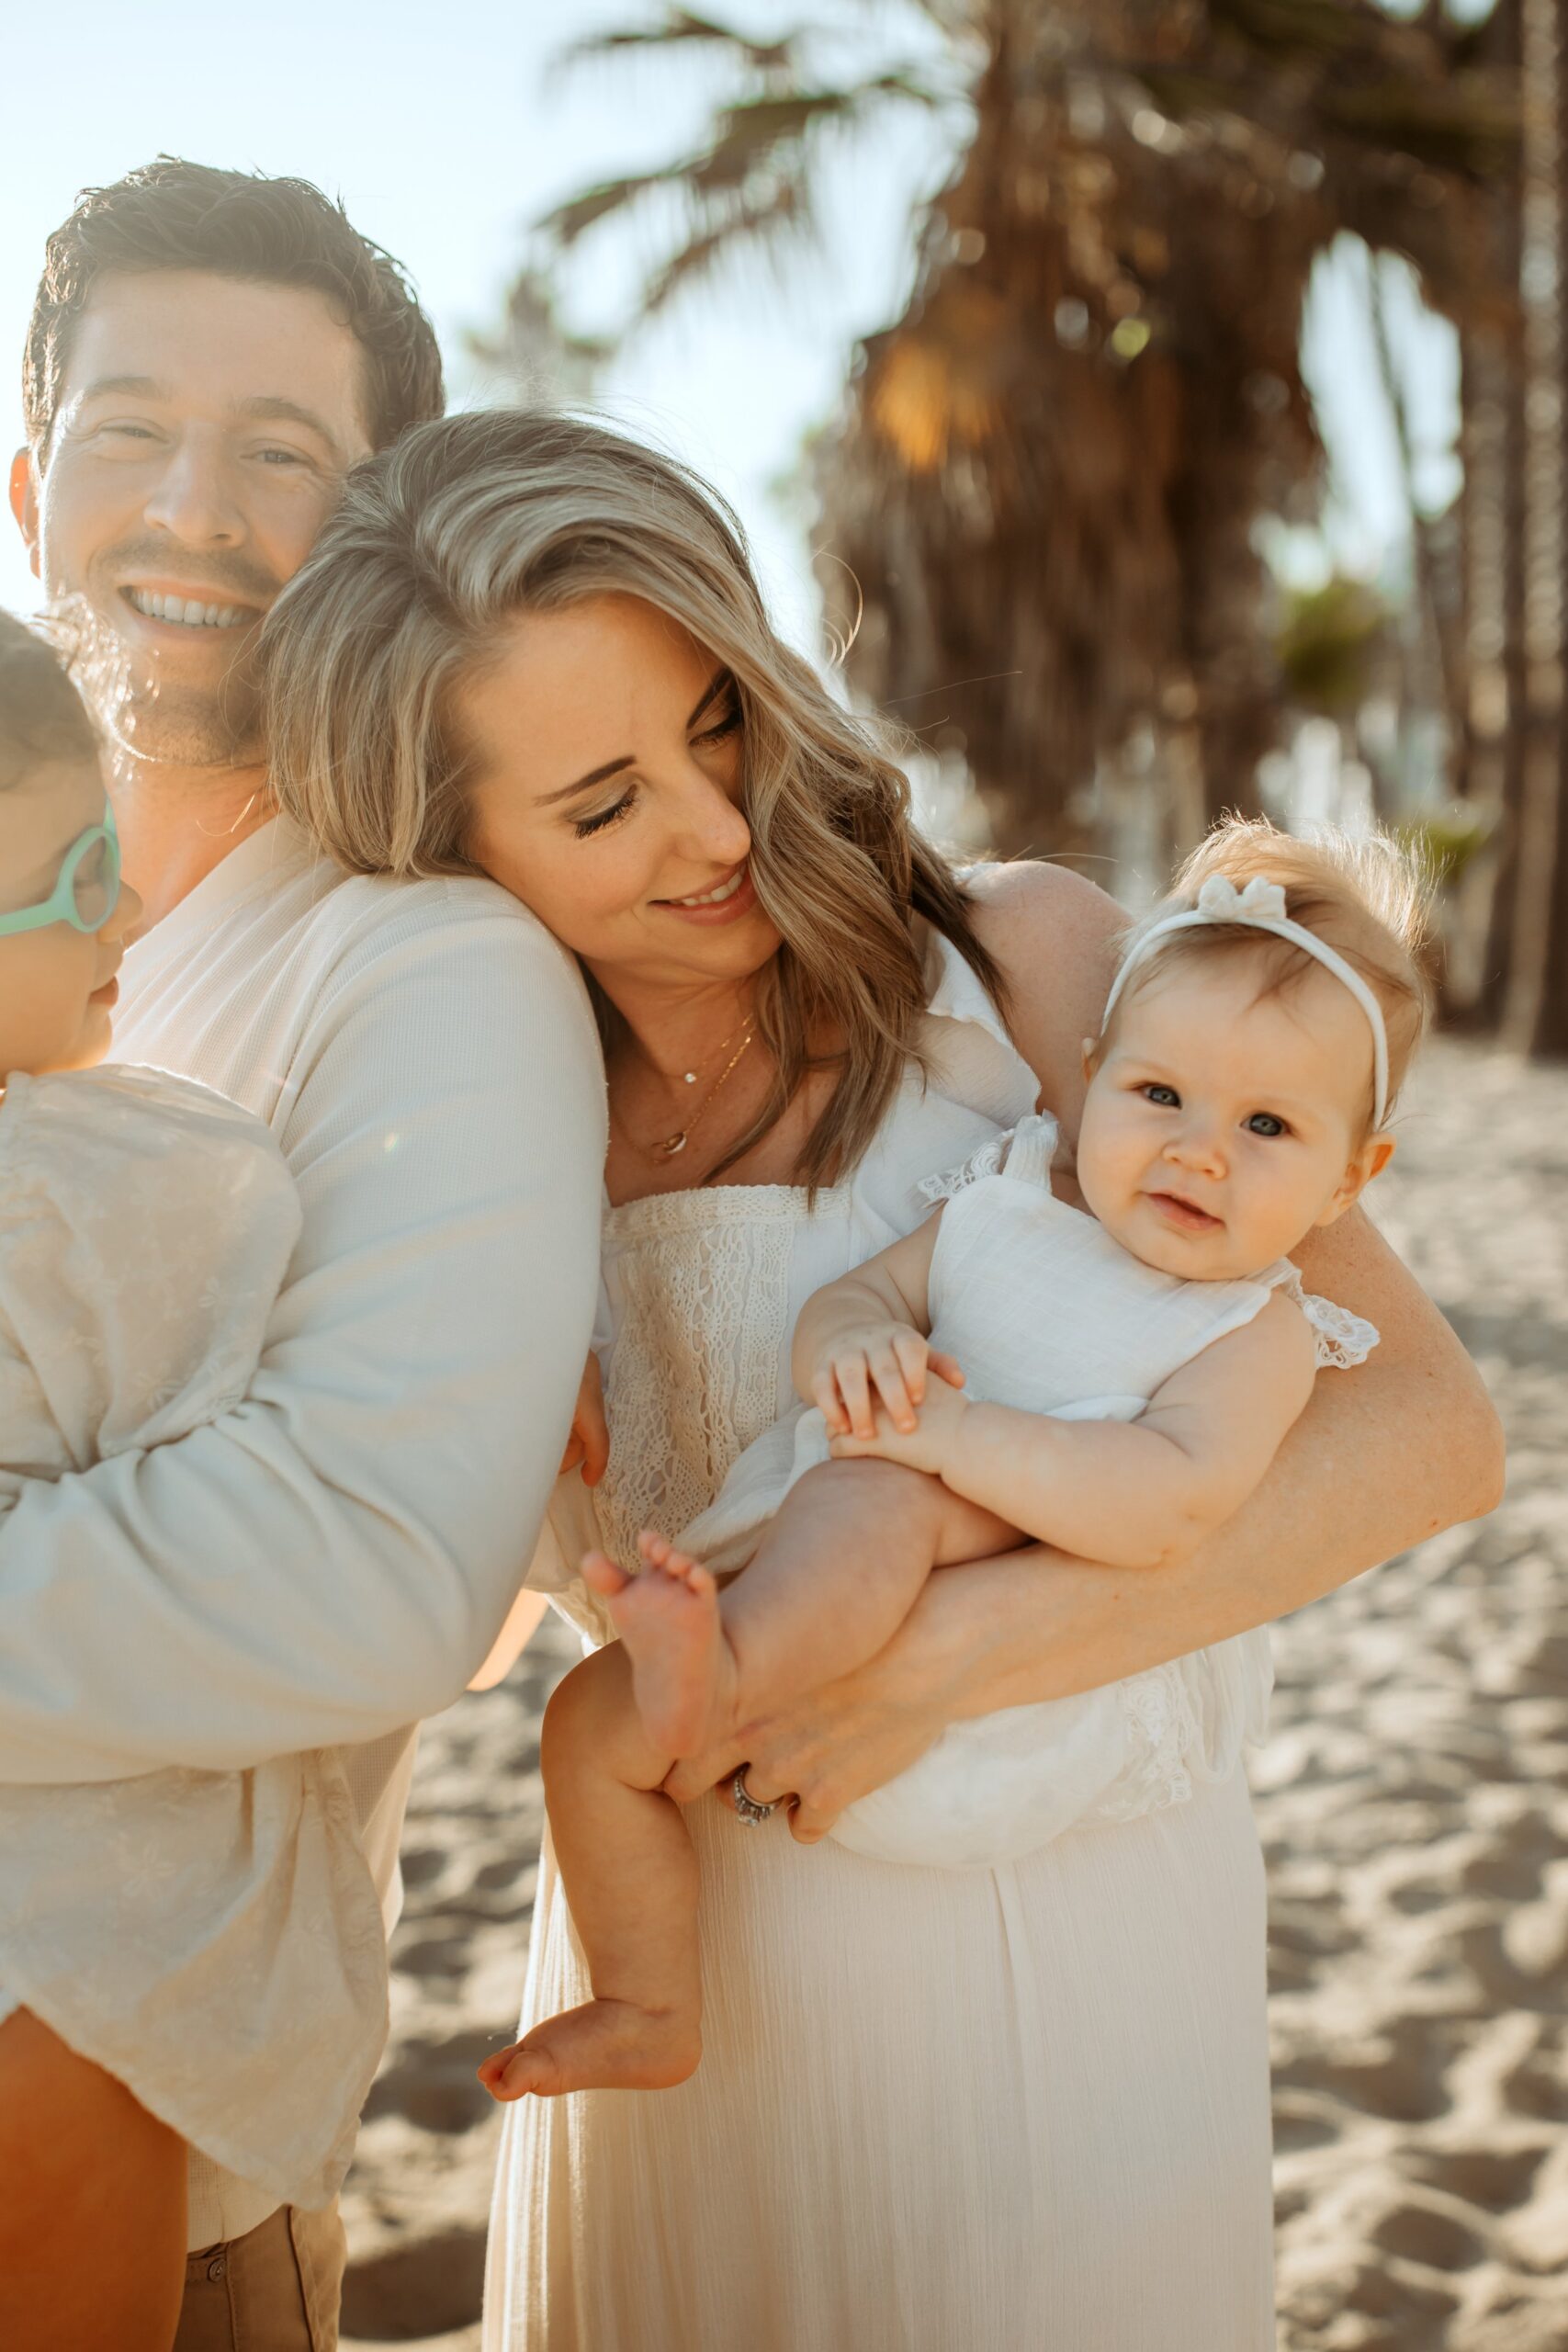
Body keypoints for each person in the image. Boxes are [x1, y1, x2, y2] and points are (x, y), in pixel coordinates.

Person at [256, 404, 1502, 2352]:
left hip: (1037, 1959)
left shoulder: (1022, 958)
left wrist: (922, 1659)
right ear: (447, 844)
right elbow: (453, 1593)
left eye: (721, 721)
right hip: (673, 1951)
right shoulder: (475, 1125)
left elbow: (1427, 1433)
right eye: (599, 806)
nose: (712, 826)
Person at [2, 162, 605, 2352]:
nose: (191, 504)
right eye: (129, 426)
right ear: (24, 475)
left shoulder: (423, 975)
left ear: (374, 540)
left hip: (123, 2156)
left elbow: (359, 1569)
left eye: (281, 453)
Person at [479, 820, 1429, 2098]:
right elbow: (863, 1297)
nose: (1200, 1149)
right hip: (819, 1543)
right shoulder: (1009, 1194)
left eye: (1268, 1126)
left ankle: (727, 1667)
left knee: (883, 1497)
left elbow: (1167, 1505)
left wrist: (947, 1437)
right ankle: (648, 1995)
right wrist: (857, 1347)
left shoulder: (1252, 1326)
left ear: (1347, 1180)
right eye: (1161, 1096)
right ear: (1087, 1078)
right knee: (582, 1722)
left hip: (975, 1658)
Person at [0, 609, 396, 2346]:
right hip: (67, 1972)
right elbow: (326, 1412)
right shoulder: (120, 1181)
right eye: (82, 872)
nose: (133, 911)